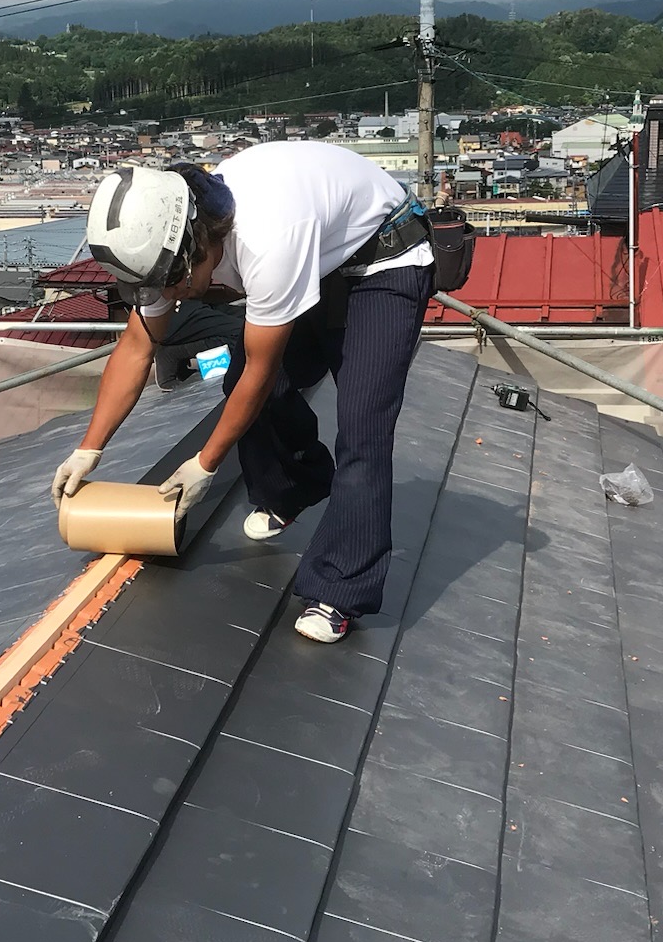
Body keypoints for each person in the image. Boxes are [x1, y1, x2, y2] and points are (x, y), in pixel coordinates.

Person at [51, 143, 433, 644]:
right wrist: (89, 448)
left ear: (202, 242)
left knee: (363, 427)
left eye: (178, 282)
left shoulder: (268, 240)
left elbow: (262, 366)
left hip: (384, 259)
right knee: (238, 385)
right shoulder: (170, 246)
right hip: (320, 255)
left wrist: (204, 464)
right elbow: (138, 346)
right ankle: (294, 488)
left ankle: (340, 589)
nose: (177, 295)